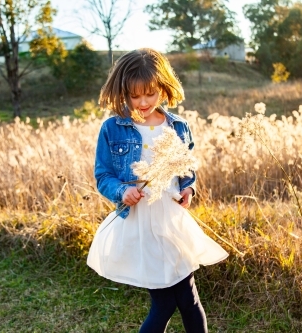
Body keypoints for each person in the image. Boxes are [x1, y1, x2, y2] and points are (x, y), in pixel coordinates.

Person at [87, 48, 228, 333]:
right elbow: (103, 175)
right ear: (122, 92)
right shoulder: (112, 128)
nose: (142, 102)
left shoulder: (178, 127)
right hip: (141, 225)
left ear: (163, 88)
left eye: (149, 94)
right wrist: (122, 191)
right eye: (134, 95)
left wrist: (189, 190)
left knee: (188, 299)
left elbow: (186, 170)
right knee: (164, 303)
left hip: (172, 221)